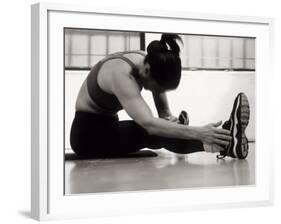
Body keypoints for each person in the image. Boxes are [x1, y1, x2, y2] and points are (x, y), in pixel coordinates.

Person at [70, 34, 250, 159]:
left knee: (163, 127)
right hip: (88, 137)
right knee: (151, 132)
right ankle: (225, 144)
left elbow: (163, 113)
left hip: (108, 125)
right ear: (147, 71)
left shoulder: (150, 61)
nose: (156, 91)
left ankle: (224, 139)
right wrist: (199, 132)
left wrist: (170, 120)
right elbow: (150, 125)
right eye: (158, 87)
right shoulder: (120, 74)